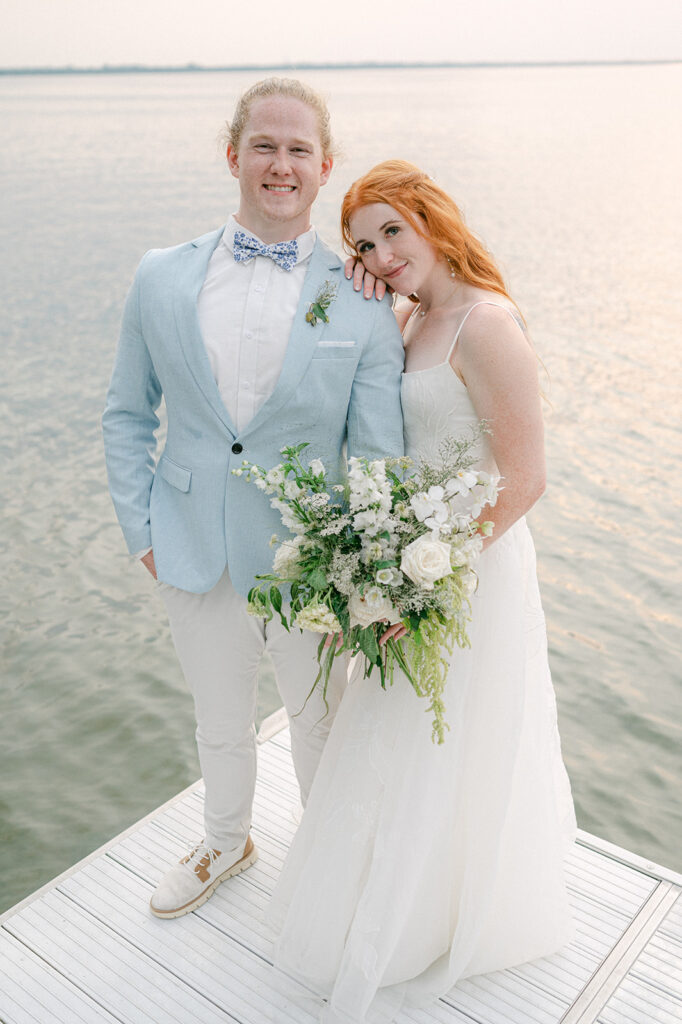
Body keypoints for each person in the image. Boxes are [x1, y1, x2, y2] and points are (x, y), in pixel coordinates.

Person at [268, 160, 577, 1022]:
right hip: (411, 560)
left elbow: (524, 479)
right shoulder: (404, 319)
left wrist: (421, 579)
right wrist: (356, 299)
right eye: (363, 242)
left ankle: (443, 910)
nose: (381, 251)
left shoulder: (486, 324)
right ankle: (394, 898)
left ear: (432, 219)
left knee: (458, 739)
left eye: (392, 230)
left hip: (471, 567)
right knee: (399, 734)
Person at [101, 82, 405, 920]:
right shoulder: (160, 277)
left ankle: (335, 866)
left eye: (299, 149)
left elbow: (378, 456)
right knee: (219, 720)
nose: (281, 164)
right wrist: (143, 532)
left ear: (324, 167)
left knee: (318, 725)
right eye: (264, 146)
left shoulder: (361, 302)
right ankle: (225, 840)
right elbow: (127, 413)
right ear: (233, 156)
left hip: (308, 560)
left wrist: (371, 568)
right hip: (189, 543)